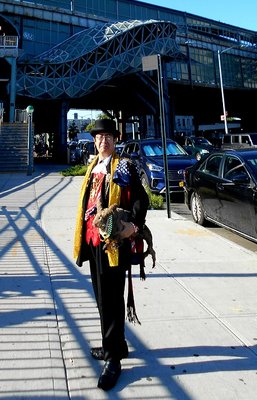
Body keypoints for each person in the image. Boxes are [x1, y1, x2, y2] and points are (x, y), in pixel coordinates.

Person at [73, 118, 149, 391]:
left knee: (113, 298)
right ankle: (113, 345)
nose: (103, 140)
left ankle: (114, 358)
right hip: (94, 241)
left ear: (115, 140)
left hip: (114, 244)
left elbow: (142, 198)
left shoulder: (124, 165)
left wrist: (134, 226)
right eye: (98, 137)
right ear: (94, 141)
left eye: (107, 136)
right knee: (101, 296)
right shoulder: (93, 166)